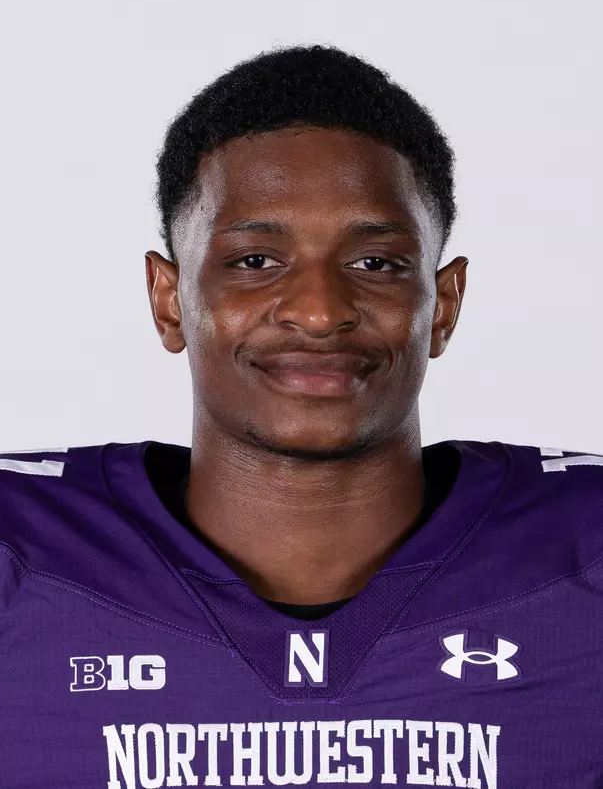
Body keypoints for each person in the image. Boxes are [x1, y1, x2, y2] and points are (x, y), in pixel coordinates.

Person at [0, 44, 601, 789]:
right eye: (255, 261)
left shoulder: (585, 555)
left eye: (374, 264)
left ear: (442, 305)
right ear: (169, 299)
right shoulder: (20, 557)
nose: (319, 312)